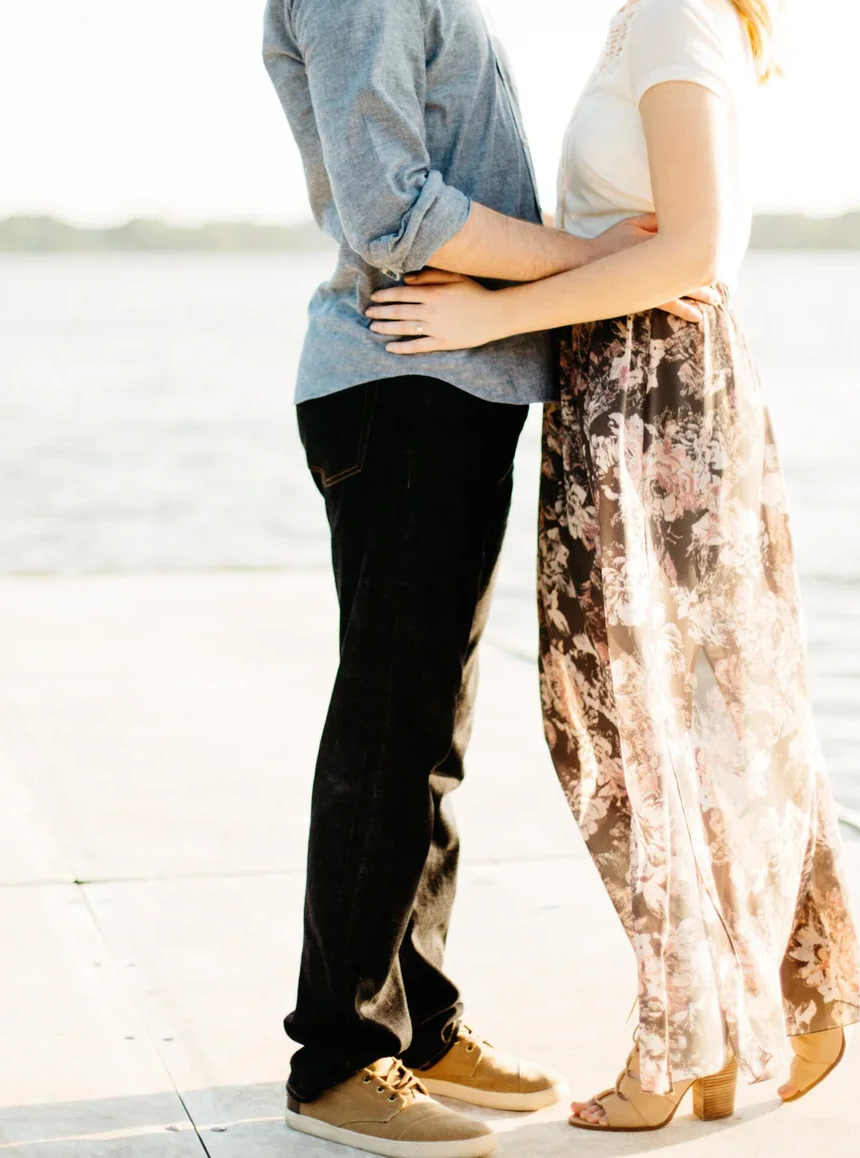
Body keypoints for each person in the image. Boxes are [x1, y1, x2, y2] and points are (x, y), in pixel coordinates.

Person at [366, 0, 860, 1133]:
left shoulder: (673, 13)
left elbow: (696, 248)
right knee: (641, 724)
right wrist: (515, 305)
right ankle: (750, 1008)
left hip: (656, 397)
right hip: (618, 389)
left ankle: (711, 1027)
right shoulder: (648, 17)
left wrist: (482, 322)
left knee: (639, 729)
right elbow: (632, 234)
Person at [261, 2, 711, 1155]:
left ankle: (419, 1024)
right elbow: (391, 208)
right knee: (390, 723)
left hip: (454, 388)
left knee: (430, 731)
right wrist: (597, 260)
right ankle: (342, 1055)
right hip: (401, 377)